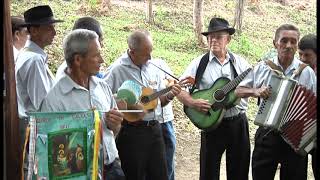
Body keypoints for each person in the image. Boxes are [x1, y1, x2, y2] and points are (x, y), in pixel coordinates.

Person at [40, 29, 125, 180]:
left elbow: (114, 130)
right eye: (96, 55)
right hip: (79, 175)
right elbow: (53, 152)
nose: (102, 60)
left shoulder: (102, 87)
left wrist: (115, 124)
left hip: (111, 169)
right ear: (78, 60)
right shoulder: (55, 99)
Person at [235, 24, 316, 180]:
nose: (288, 46)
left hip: (296, 136)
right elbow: (238, 91)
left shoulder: (306, 72)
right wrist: (255, 91)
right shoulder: (262, 68)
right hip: (267, 135)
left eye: (293, 42)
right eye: (284, 41)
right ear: (275, 43)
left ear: (297, 44)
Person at [177, 17, 251, 180]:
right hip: (211, 124)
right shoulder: (199, 64)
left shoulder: (240, 63)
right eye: (210, 36)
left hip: (238, 123)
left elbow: (252, 86)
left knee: (239, 170)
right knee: (208, 171)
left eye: (218, 36)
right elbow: (178, 88)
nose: (213, 40)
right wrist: (192, 102)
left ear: (228, 39)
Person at [104, 29, 181, 180]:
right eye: (146, 53)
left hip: (155, 129)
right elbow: (103, 100)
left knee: (160, 175)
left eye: (151, 51)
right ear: (132, 52)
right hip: (131, 133)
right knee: (135, 175)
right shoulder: (116, 70)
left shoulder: (153, 68)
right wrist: (126, 107)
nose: (150, 57)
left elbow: (157, 103)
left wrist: (170, 95)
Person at [15, 4, 63, 152]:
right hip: (37, 132)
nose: (54, 33)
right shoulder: (34, 60)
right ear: (34, 31)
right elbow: (43, 105)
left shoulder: (30, 55)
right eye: (49, 28)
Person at [298, 33, 318, 180]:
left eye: (307, 55)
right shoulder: (299, 72)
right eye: (301, 54)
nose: (303, 59)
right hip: (302, 134)